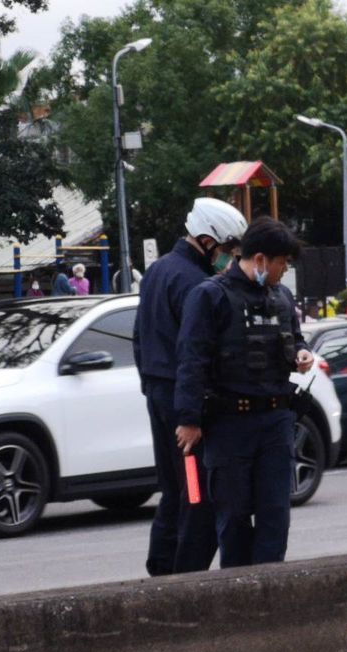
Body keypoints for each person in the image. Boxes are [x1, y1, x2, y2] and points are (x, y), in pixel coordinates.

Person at [174, 216, 314, 568]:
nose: (285, 270)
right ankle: (237, 588)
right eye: (282, 263)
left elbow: (295, 338)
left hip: (276, 421)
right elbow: (192, 360)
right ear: (261, 259)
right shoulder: (210, 296)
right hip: (229, 425)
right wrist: (189, 419)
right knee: (233, 517)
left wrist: (301, 353)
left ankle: (269, 588)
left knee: (275, 516)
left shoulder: (281, 297)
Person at [133, 197, 247, 576]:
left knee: (173, 490)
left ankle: (161, 566)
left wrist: (152, 387)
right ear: (207, 240)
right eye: (228, 248)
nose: (230, 258)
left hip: (159, 396)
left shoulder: (157, 271)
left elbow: (139, 338)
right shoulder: (196, 284)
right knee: (197, 493)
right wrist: (192, 414)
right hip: (186, 407)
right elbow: (196, 353)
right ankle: (184, 578)